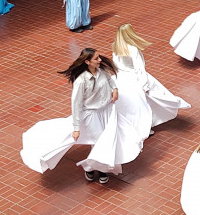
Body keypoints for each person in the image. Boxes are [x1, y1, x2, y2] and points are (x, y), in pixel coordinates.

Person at [20, 48, 143, 183]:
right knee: (97, 141)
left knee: (105, 141)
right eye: (96, 58)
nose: (100, 60)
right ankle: (92, 168)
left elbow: (110, 80)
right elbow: (76, 104)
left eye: (99, 57)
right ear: (87, 61)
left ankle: (98, 169)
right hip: (91, 115)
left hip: (107, 111)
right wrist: (77, 127)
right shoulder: (81, 81)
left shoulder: (103, 71)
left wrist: (115, 89)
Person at [112, 23, 190, 138]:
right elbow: (139, 69)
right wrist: (145, 85)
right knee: (147, 102)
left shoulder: (115, 47)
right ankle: (145, 126)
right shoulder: (133, 49)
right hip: (134, 78)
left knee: (128, 105)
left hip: (121, 78)